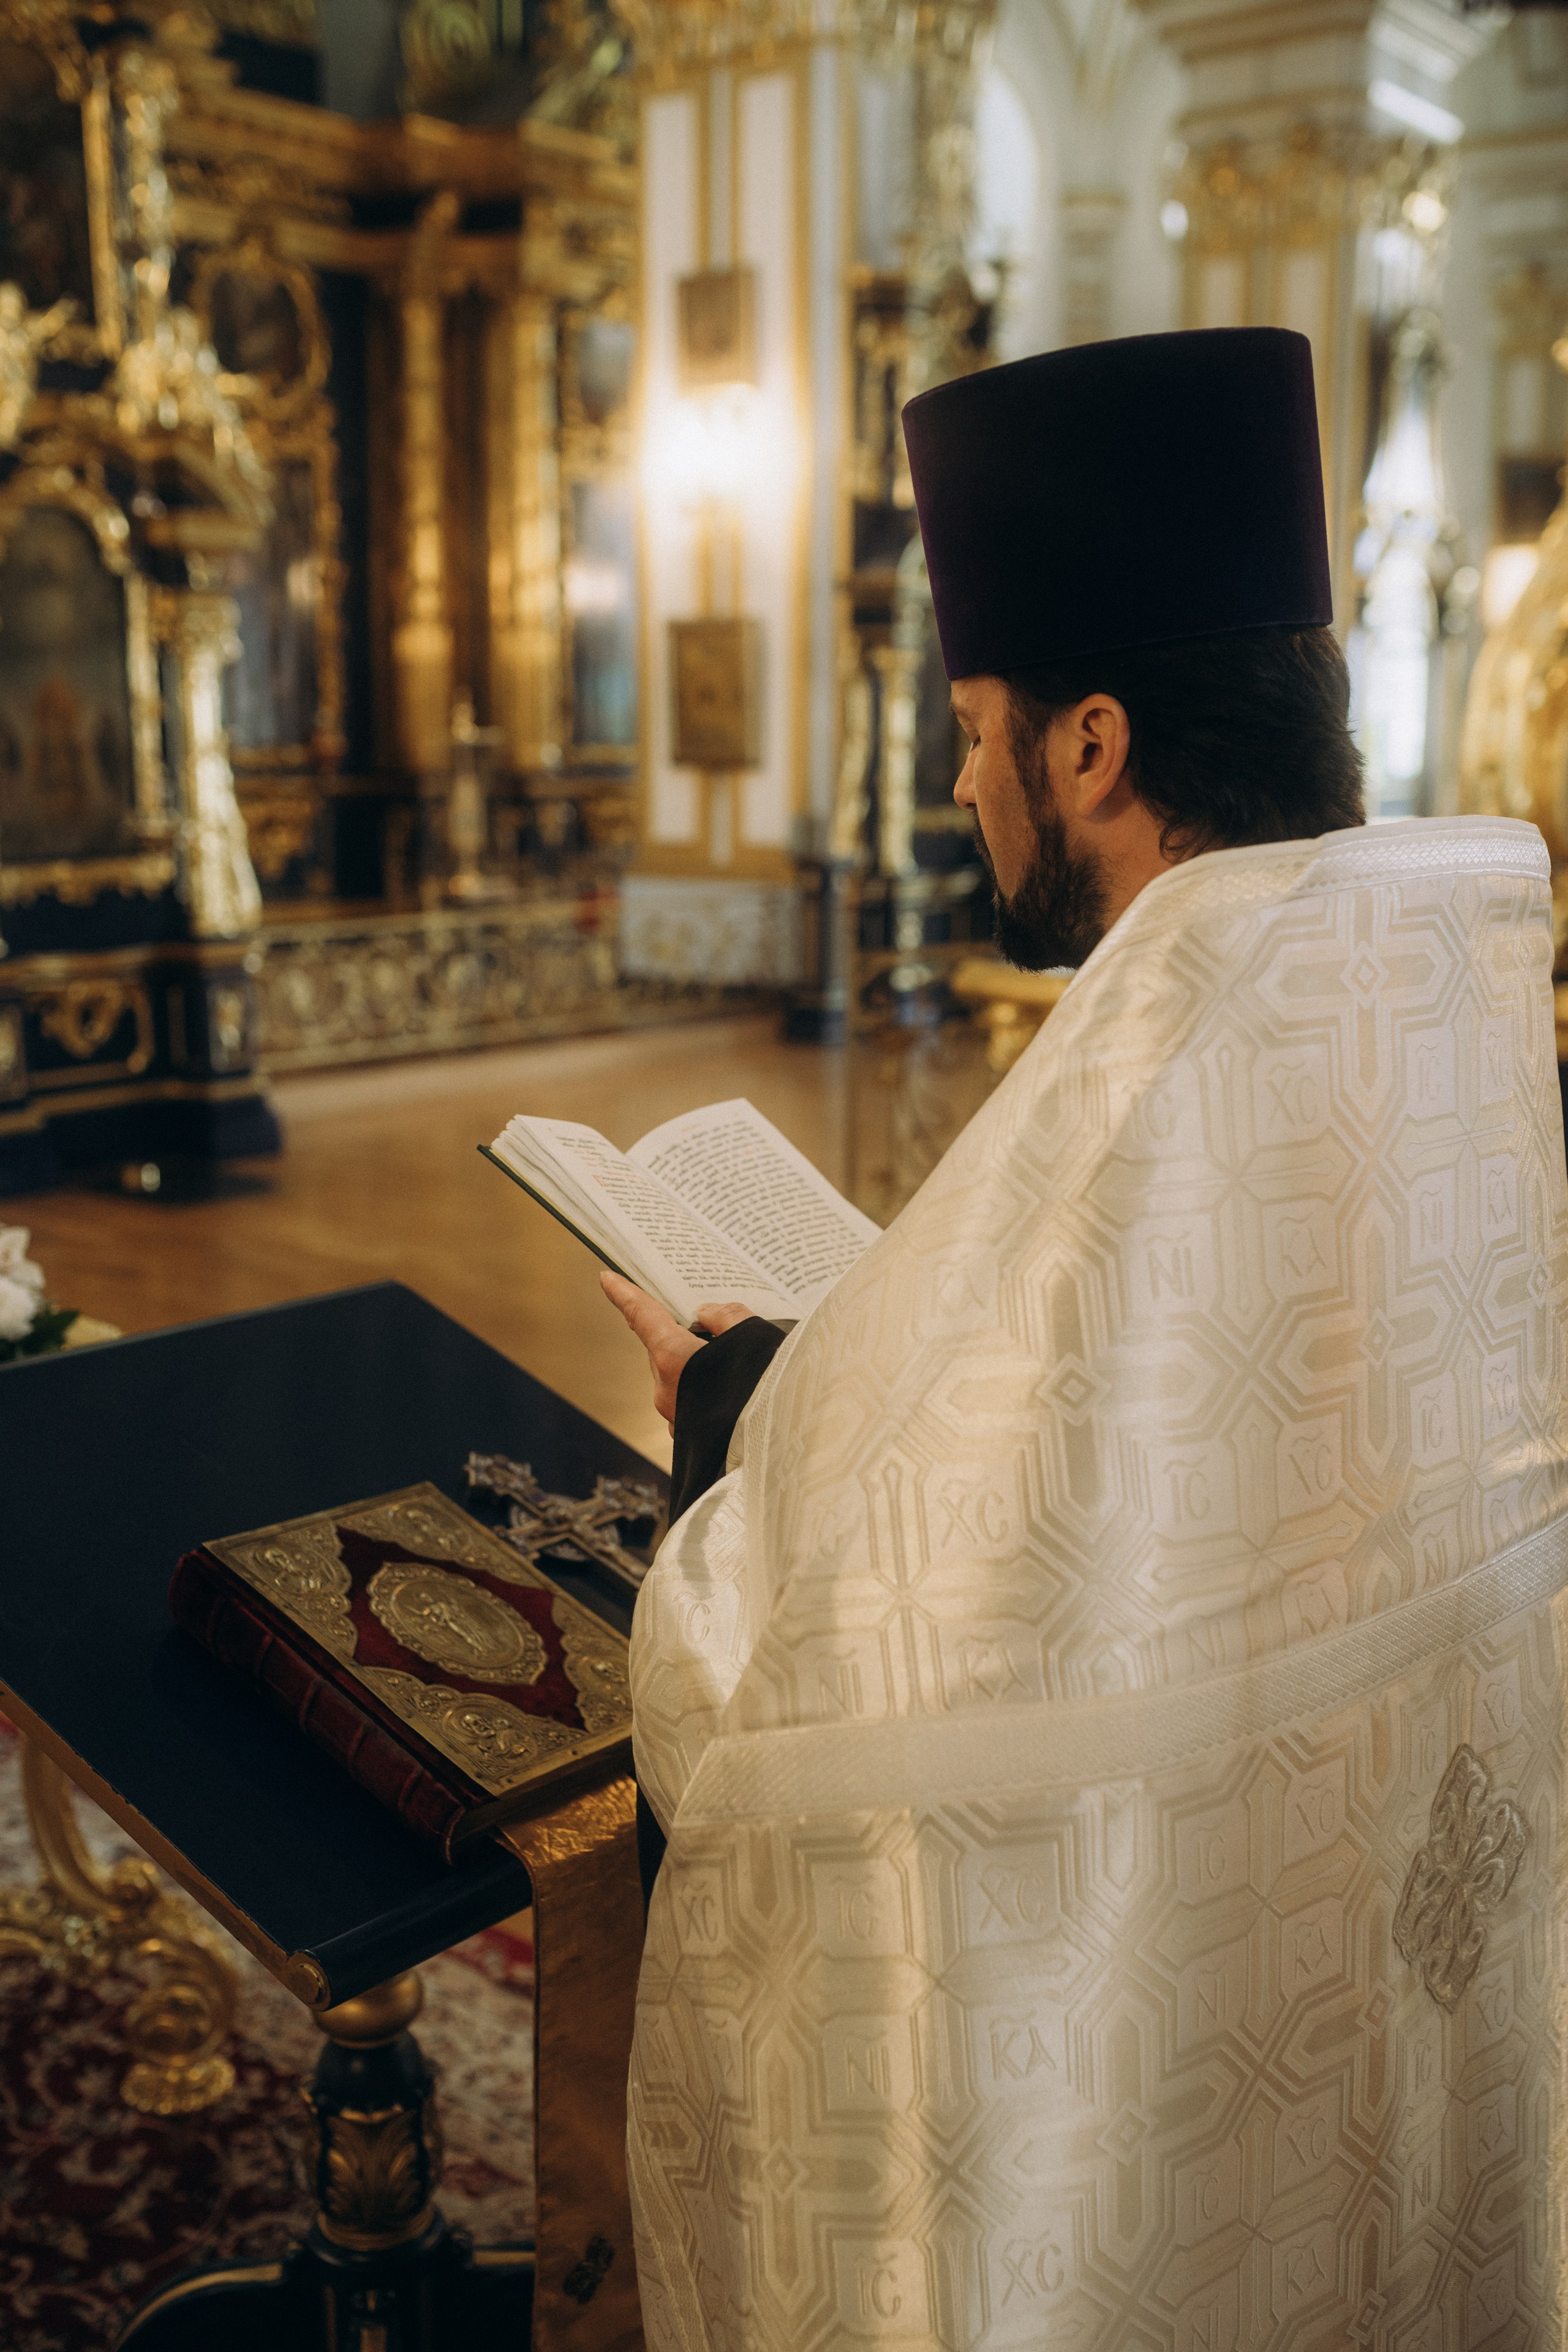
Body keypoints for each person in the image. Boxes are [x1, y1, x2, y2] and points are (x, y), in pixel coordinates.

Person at [603, 328, 1568, 2349]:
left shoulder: (1169, 1027)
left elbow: (873, 1653)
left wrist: (729, 1421)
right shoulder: (1417, 964)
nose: (962, 778)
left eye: (975, 726)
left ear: (1094, 746)